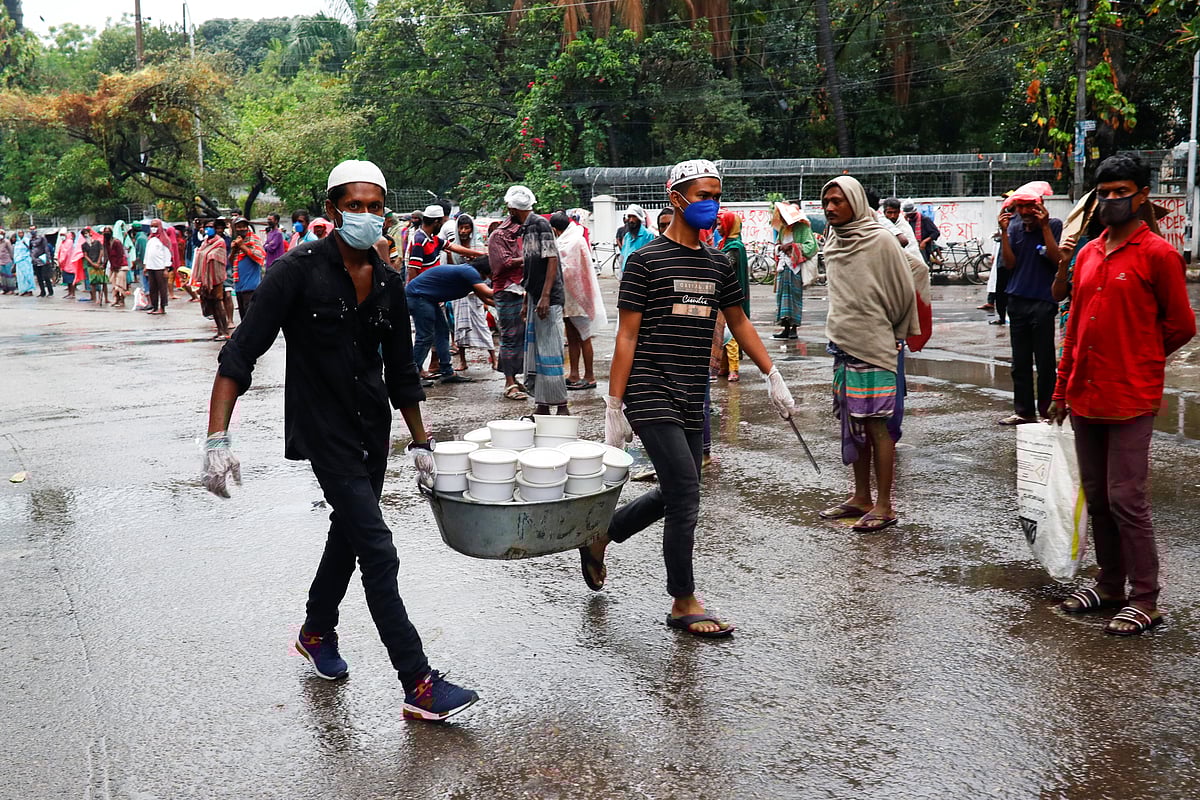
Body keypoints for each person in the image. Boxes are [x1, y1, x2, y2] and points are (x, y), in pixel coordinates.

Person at [202, 160, 478, 721]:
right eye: (357, 206)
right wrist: (216, 437)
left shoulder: (387, 281)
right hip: (321, 427)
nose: (369, 216)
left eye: (377, 206)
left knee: (348, 532)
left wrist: (421, 442)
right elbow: (241, 353)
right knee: (377, 546)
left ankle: (315, 629)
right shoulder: (295, 271)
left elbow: (402, 369)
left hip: (371, 427)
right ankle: (418, 682)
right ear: (333, 211)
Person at [586, 159, 797, 638]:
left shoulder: (718, 263)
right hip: (649, 386)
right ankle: (683, 600)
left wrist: (772, 373)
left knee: (679, 488)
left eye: (717, 196)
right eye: (703, 195)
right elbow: (626, 337)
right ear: (677, 197)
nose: (712, 204)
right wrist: (614, 406)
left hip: (691, 389)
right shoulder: (645, 260)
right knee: (685, 493)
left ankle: (603, 534)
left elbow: (739, 321)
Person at [1048, 154, 1196, 636]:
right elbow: (1073, 328)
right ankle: (1110, 584)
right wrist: (1060, 390)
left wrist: (1142, 358)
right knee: (1097, 496)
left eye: (1121, 192)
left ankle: (1146, 598)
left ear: (1142, 196)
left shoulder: (1158, 254)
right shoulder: (1089, 253)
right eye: (1105, 192)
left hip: (1131, 396)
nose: (1112, 200)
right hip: (1084, 394)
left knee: (1126, 497)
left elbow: (1180, 326)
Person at [816, 175, 920, 533]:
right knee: (852, 424)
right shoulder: (834, 239)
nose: (830, 207)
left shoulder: (880, 240)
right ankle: (860, 497)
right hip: (842, 344)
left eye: (838, 201)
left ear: (856, 203)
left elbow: (908, 284)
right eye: (826, 201)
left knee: (877, 425)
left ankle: (885, 505)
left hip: (875, 346)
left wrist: (894, 331)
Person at [997, 181, 1062, 425]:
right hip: (1017, 300)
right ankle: (1023, 412)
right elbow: (1009, 264)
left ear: (1040, 206)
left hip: (1043, 301)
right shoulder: (1013, 227)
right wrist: (1004, 233)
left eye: (1029, 206)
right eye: (1020, 207)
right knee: (1020, 361)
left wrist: (1044, 227)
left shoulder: (1053, 225)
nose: (1024, 212)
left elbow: (1057, 260)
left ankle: (1047, 412)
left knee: (1045, 361)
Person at [506, 185, 568, 415]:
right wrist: (527, 299)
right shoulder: (527, 227)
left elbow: (552, 259)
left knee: (550, 351)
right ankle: (542, 404)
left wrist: (544, 296)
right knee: (538, 352)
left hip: (548, 299)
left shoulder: (540, 224)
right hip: (535, 297)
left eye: (509, 207)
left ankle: (561, 405)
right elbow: (531, 268)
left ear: (514, 208)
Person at [407, 259, 495, 385]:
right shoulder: (470, 272)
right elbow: (487, 292)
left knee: (442, 332)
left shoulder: (471, 277)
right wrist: (509, 291)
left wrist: (504, 304)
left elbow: (486, 299)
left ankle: (447, 372)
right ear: (483, 271)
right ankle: (412, 375)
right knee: (426, 336)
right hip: (418, 297)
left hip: (427, 298)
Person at [552, 211, 607, 390]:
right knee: (572, 336)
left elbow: (575, 269)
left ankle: (589, 376)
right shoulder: (566, 240)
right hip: (566, 297)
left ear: (555, 229)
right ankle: (574, 374)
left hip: (580, 295)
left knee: (584, 336)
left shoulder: (575, 240)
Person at [446, 214, 495, 373]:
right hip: (460, 293)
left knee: (482, 325)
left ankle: (494, 359)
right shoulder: (453, 247)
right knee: (459, 327)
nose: (463, 231)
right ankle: (463, 361)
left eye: (466, 227)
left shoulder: (479, 246)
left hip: (477, 293)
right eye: (461, 227)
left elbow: (486, 269)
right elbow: (451, 269)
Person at [489, 209, 529, 401]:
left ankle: (514, 378)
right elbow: (504, 263)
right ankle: (509, 382)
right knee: (510, 336)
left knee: (520, 336)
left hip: (522, 289)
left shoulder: (524, 233)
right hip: (506, 291)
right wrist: (530, 259)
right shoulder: (498, 236)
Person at [771, 201, 818, 339]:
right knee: (782, 298)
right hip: (783, 268)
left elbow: (811, 246)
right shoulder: (782, 230)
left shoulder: (802, 228)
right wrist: (781, 248)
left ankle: (794, 329)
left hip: (795, 268)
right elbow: (777, 245)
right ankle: (785, 327)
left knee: (794, 297)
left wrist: (793, 247)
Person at [716, 210, 750, 381]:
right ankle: (724, 366)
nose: (718, 227)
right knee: (722, 334)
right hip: (722, 296)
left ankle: (733, 370)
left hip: (731, 298)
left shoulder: (735, 248)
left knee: (731, 337)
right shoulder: (724, 244)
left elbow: (724, 266)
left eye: (721, 224)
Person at [194, 220, 231, 340]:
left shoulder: (220, 242)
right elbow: (201, 254)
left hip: (216, 278)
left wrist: (205, 255)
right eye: (206, 227)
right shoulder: (205, 242)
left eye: (210, 227)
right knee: (212, 305)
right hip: (206, 279)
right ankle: (219, 330)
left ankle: (225, 331)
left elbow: (217, 256)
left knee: (218, 303)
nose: (208, 229)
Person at [230, 217, 266, 321]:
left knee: (251, 318)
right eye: (239, 227)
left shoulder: (254, 240)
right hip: (239, 286)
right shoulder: (236, 242)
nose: (241, 229)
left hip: (251, 287)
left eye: (243, 226)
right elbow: (230, 261)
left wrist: (242, 246)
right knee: (243, 317)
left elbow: (260, 257)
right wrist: (234, 249)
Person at [878, 198, 923, 263]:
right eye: (889, 213)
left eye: (895, 212)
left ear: (899, 212)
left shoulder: (903, 226)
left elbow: (909, 247)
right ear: (884, 212)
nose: (892, 216)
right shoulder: (881, 222)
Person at [143, 219, 173, 315]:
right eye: (152, 226)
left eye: (156, 226)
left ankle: (162, 307)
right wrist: (145, 266)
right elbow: (147, 254)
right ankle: (154, 306)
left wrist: (166, 268)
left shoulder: (164, 240)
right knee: (153, 288)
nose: (154, 228)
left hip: (160, 267)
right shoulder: (150, 239)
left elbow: (167, 254)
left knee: (162, 288)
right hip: (151, 267)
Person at [618, 204, 655, 278]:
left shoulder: (648, 235)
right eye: (629, 217)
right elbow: (623, 257)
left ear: (639, 218)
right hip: (627, 275)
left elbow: (652, 259)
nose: (631, 220)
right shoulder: (627, 236)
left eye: (634, 216)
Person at [903, 200, 940, 265]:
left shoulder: (925, 219)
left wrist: (924, 241)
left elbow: (935, 233)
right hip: (912, 247)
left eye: (909, 214)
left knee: (923, 265)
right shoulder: (909, 220)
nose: (908, 215)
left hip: (923, 248)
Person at [103, 227, 130, 308]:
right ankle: (116, 299)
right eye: (105, 232)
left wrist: (117, 265)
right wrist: (105, 263)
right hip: (113, 266)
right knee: (114, 284)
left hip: (121, 266)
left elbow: (120, 255)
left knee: (120, 284)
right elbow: (107, 254)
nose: (106, 234)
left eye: (108, 232)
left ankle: (122, 300)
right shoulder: (106, 243)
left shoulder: (117, 242)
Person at [79, 228, 107, 305]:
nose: (86, 235)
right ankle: (95, 298)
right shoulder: (84, 245)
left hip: (99, 264)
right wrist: (92, 263)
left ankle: (106, 298)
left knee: (103, 281)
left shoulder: (97, 242)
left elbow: (101, 251)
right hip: (90, 266)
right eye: (84, 234)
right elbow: (85, 255)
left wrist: (98, 261)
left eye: (87, 233)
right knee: (93, 283)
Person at [28, 226, 54, 297]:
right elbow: (30, 249)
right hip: (35, 261)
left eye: (33, 229)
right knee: (39, 278)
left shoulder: (41, 238)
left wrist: (48, 259)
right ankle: (42, 292)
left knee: (46, 277)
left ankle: (50, 291)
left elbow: (46, 248)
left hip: (43, 260)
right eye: (31, 229)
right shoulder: (30, 240)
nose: (32, 231)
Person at [0, 230, 14, 294]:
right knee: (3, 276)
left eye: (1, 233)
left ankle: (11, 289)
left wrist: (12, 259)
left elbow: (11, 251)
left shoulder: (7, 242)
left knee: (9, 275)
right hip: (1, 261)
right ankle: (4, 289)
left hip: (7, 260)